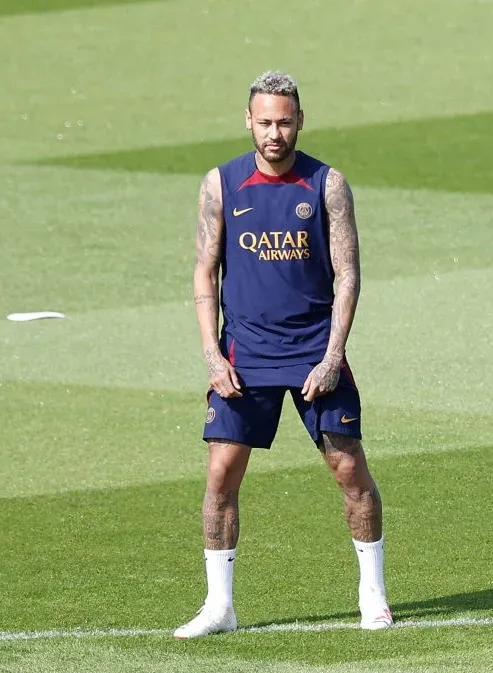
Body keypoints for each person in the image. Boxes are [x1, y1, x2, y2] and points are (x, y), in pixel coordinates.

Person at [174, 71, 392, 639]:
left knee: (349, 469)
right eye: (265, 122)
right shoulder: (221, 185)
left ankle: (373, 593)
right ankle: (220, 606)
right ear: (249, 120)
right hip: (244, 354)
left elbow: (348, 274)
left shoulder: (326, 184)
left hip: (315, 351)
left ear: (300, 121)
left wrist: (333, 354)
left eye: (285, 122)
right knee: (221, 474)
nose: (275, 132)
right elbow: (204, 271)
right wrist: (211, 354)